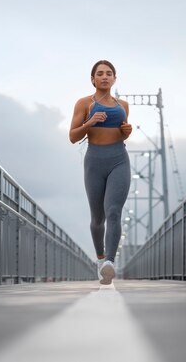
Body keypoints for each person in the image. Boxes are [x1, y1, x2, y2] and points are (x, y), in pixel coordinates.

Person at [69, 60, 132, 285]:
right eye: (100, 74)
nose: (104, 77)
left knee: (114, 211)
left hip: (119, 161)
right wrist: (90, 122)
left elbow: (121, 133)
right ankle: (100, 259)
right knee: (98, 218)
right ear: (93, 79)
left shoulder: (122, 105)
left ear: (115, 78)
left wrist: (127, 132)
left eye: (108, 74)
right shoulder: (84, 103)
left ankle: (109, 263)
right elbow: (73, 136)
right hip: (94, 162)